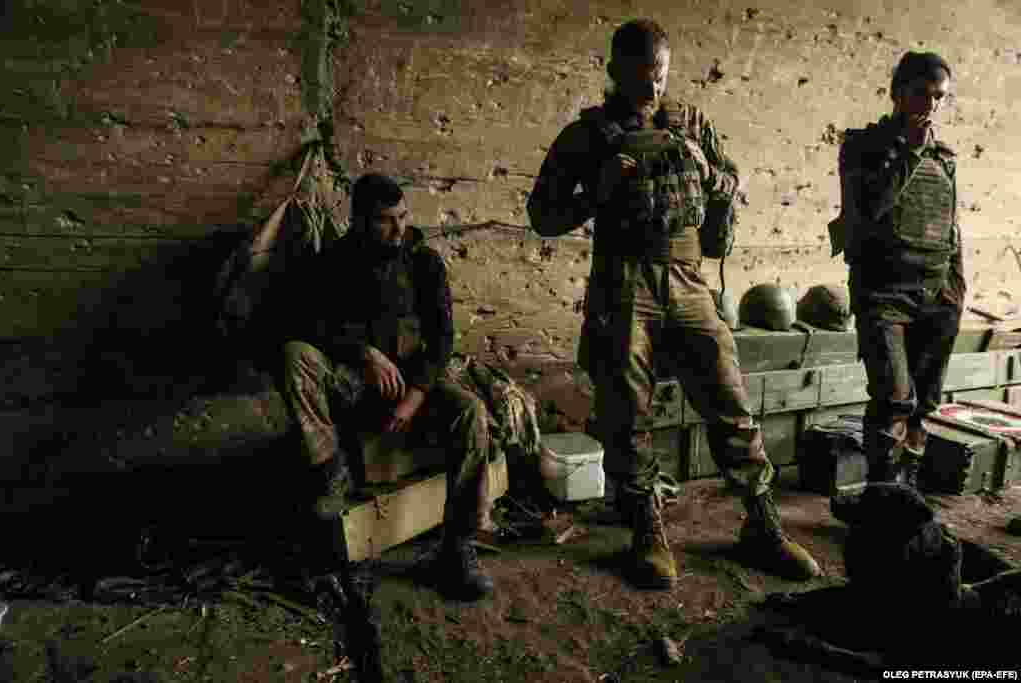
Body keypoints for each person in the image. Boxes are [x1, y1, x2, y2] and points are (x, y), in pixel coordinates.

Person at [526, 18, 820, 588]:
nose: (652, 87)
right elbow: (543, 216)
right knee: (628, 413)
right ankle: (646, 532)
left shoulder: (691, 123)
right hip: (624, 279)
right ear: (614, 72)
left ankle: (761, 525)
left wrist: (715, 176)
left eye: (659, 75)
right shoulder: (587, 135)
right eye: (640, 75)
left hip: (688, 277)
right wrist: (596, 193)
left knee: (729, 398)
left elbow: (731, 181)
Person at [277, 173, 495, 601]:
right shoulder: (332, 263)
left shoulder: (423, 263)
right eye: (384, 220)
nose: (398, 229)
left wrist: (414, 399)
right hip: (354, 387)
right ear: (359, 220)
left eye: (402, 217)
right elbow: (305, 323)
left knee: (470, 411)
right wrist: (362, 353)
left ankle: (458, 546)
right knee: (295, 355)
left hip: (414, 389)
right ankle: (328, 470)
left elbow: (443, 339)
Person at [831, 51, 966, 488]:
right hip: (883, 290)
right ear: (896, 93)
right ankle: (882, 495)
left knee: (924, 404)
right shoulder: (862, 148)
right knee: (893, 398)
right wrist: (907, 151)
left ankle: (903, 493)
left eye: (940, 98)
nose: (930, 106)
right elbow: (869, 208)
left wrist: (956, 290)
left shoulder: (944, 156)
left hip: (936, 291)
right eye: (921, 95)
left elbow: (951, 224)